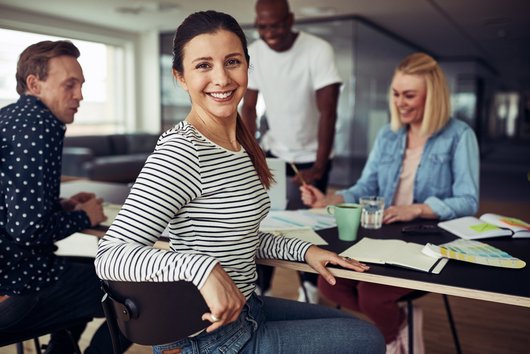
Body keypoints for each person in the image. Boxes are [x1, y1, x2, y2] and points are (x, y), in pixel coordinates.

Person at [94, 10, 385, 354]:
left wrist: (304, 250)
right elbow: (110, 255)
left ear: (247, 66)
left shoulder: (242, 145)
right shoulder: (182, 151)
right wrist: (202, 268)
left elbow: (239, 236)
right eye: (203, 65)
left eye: (232, 62)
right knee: (367, 340)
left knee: (355, 328)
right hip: (210, 337)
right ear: (181, 78)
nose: (221, 78)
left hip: (247, 310)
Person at [301, 52, 480, 353]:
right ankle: (399, 324)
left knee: (372, 296)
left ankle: (388, 337)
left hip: (427, 242)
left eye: (410, 95)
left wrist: (419, 208)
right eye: (396, 94)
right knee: (330, 283)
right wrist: (329, 199)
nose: (400, 102)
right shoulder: (388, 134)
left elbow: (468, 200)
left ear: (432, 96)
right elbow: (365, 186)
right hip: (382, 236)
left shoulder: (460, 136)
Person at [0, 40, 130, 354]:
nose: (80, 95)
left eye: (81, 85)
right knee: (136, 298)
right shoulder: (41, 126)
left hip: (12, 271)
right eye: (69, 85)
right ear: (34, 84)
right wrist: (87, 217)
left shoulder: (9, 118)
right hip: (17, 285)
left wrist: (61, 207)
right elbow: (28, 229)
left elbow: (13, 205)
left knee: (94, 274)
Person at [240, 0, 342, 302]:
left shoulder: (317, 49)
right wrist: (253, 152)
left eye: (276, 24)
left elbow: (329, 111)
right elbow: (249, 108)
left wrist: (320, 167)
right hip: (274, 153)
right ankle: (261, 290)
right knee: (265, 220)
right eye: (262, 25)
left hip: (313, 155)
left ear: (291, 20)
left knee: (308, 226)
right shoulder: (255, 53)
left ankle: (310, 289)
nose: (269, 32)